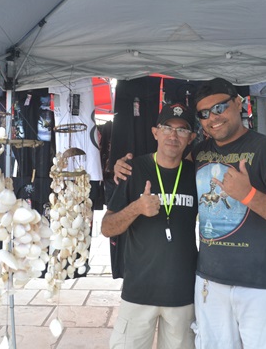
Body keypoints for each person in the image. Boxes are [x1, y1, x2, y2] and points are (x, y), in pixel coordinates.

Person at [114, 79, 266, 349]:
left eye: (220, 107)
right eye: (204, 113)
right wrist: (125, 168)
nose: (212, 117)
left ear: (238, 103)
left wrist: (248, 194)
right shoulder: (199, 153)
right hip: (209, 284)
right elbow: (165, 163)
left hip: (259, 285)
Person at [101, 103, 199, 349]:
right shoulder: (132, 170)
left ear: (191, 138)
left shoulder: (197, 174)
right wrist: (136, 208)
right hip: (139, 292)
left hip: (182, 293)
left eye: (182, 130)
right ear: (155, 132)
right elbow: (107, 228)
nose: (173, 135)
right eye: (167, 128)